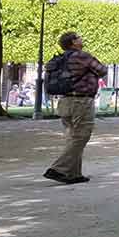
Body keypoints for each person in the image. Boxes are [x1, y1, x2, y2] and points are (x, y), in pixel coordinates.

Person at [43, 32, 107, 185]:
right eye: (79, 37)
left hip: (64, 101)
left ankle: (74, 174)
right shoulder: (82, 56)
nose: (81, 39)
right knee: (81, 136)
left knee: (73, 137)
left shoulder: (59, 59)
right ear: (73, 42)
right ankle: (58, 169)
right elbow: (102, 70)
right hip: (81, 101)